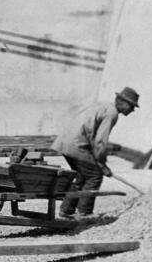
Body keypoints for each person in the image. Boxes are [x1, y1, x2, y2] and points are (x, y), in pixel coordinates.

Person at [52, 86, 139, 219]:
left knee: (81, 176)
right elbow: (100, 142)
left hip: (65, 141)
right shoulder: (112, 113)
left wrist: (98, 161)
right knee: (95, 175)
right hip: (77, 144)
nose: (132, 110)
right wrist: (102, 165)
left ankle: (67, 211)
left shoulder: (103, 106)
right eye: (131, 106)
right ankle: (84, 212)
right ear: (122, 102)